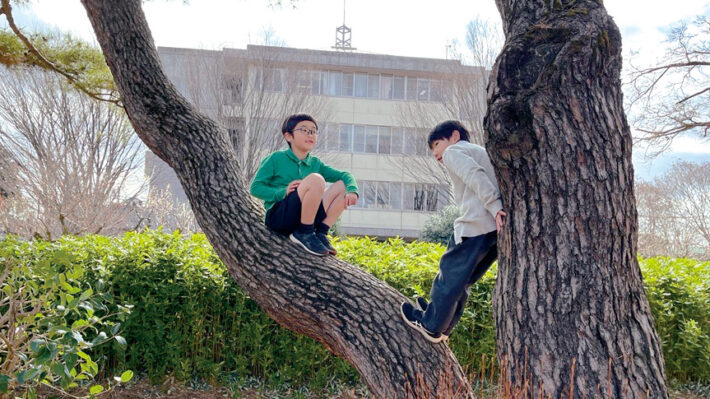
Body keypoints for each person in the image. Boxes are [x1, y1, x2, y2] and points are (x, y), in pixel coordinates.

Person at [400, 120, 506, 343]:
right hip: (492, 234)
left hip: (475, 225)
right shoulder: (481, 152)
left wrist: (495, 206)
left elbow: (475, 176)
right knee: (461, 282)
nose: (436, 154)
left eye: (437, 144)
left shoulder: (454, 152)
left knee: (447, 277)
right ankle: (444, 325)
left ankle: (430, 324)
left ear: (455, 136)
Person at [250, 114, 358, 256]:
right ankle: (304, 233)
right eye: (304, 130)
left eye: (313, 131)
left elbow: (345, 176)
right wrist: (283, 192)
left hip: (307, 216)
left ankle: (320, 233)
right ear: (289, 136)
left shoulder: (315, 163)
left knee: (342, 185)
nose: (310, 134)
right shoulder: (276, 158)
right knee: (316, 179)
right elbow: (255, 188)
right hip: (280, 217)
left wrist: (353, 191)